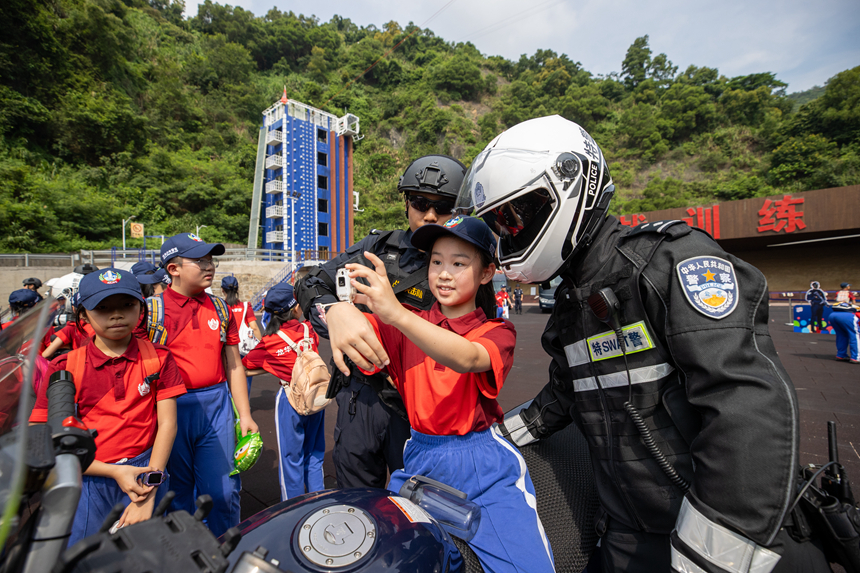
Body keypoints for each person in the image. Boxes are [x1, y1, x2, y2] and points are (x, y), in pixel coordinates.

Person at [454, 115, 830, 573]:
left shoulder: (668, 262)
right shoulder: (573, 301)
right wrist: (489, 439)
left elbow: (747, 400)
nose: (506, 235)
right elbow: (563, 395)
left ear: (568, 185)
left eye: (512, 217)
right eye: (497, 224)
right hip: (627, 530)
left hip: (717, 535)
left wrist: (715, 548)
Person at [345, 215, 554, 573]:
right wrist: (338, 312)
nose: (443, 273)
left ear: (487, 273)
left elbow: (467, 356)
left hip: (482, 466)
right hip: (418, 462)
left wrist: (396, 314)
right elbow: (355, 326)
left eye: (459, 264)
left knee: (526, 566)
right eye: (436, 262)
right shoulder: (403, 322)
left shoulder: (496, 330)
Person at [295, 154, 466, 489]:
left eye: (443, 206)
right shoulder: (376, 248)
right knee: (356, 506)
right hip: (362, 398)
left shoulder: (469, 260)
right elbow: (311, 282)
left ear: (459, 211)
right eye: (419, 202)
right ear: (406, 203)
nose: (430, 215)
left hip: (427, 406)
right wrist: (334, 312)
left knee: (424, 507)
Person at [29, 268, 186, 546]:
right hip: (89, 475)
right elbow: (43, 433)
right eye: (102, 308)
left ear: (141, 308)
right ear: (83, 316)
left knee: (147, 553)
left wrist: (149, 488)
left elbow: (168, 424)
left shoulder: (159, 358)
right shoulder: (65, 367)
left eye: (127, 305)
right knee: (87, 554)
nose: (116, 315)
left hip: (148, 471)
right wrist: (114, 471)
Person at [146, 233, 258, 537]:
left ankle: (227, 551)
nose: (209, 266)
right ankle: (185, 555)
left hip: (216, 404)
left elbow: (233, 364)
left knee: (222, 491)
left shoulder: (220, 309)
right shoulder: (151, 312)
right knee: (177, 494)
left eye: (211, 259)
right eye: (200, 260)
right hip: (170, 408)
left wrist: (244, 415)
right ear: (173, 268)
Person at [242, 283, 325, 500]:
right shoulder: (309, 329)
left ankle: (293, 508)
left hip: (290, 399)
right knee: (315, 455)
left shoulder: (269, 343)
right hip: (316, 396)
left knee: (291, 458)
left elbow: (245, 366)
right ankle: (319, 501)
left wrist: (272, 366)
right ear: (295, 307)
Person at [222, 276, 262, 393]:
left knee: (226, 377)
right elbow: (254, 327)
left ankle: (230, 406)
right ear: (237, 289)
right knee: (245, 378)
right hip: (244, 347)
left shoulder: (221, 306)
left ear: (222, 290)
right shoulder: (245, 306)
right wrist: (259, 345)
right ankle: (244, 406)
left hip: (226, 347)